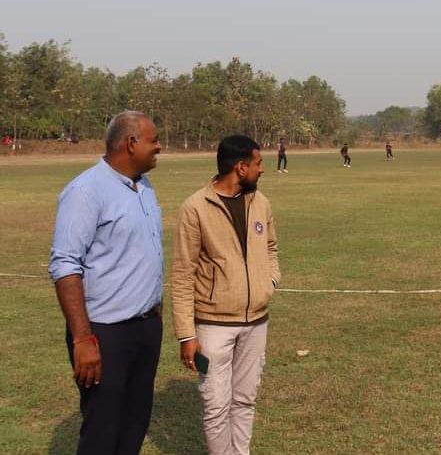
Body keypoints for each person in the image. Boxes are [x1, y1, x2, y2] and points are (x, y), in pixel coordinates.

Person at [49, 111, 164, 455]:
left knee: (134, 424)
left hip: (145, 328)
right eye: (154, 140)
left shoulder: (143, 186)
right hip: (104, 333)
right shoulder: (85, 191)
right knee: (103, 429)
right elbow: (66, 266)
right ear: (131, 143)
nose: (159, 147)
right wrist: (83, 339)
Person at [172, 135, 281, 455]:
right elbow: (182, 274)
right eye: (258, 163)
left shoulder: (261, 202)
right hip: (212, 327)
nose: (262, 169)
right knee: (216, 406)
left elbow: (271, 248)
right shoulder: (195, 208)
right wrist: (186, 335)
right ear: (241, 167)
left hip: (256, 323)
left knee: (245, 400)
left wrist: (269, 281)